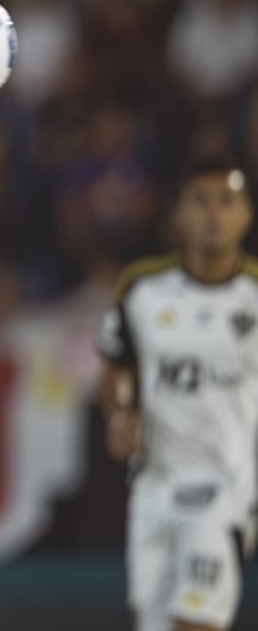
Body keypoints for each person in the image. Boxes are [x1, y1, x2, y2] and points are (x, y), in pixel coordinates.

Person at [97, 156, 258, 631]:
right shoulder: (142, 290)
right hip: (156, 486)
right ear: (179, 214)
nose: (213, 214)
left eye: (226, 202)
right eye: (201, 201)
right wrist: (118, 415)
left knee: (195, 621)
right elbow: (116, 367)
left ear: (246, 214)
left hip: (228, 488)